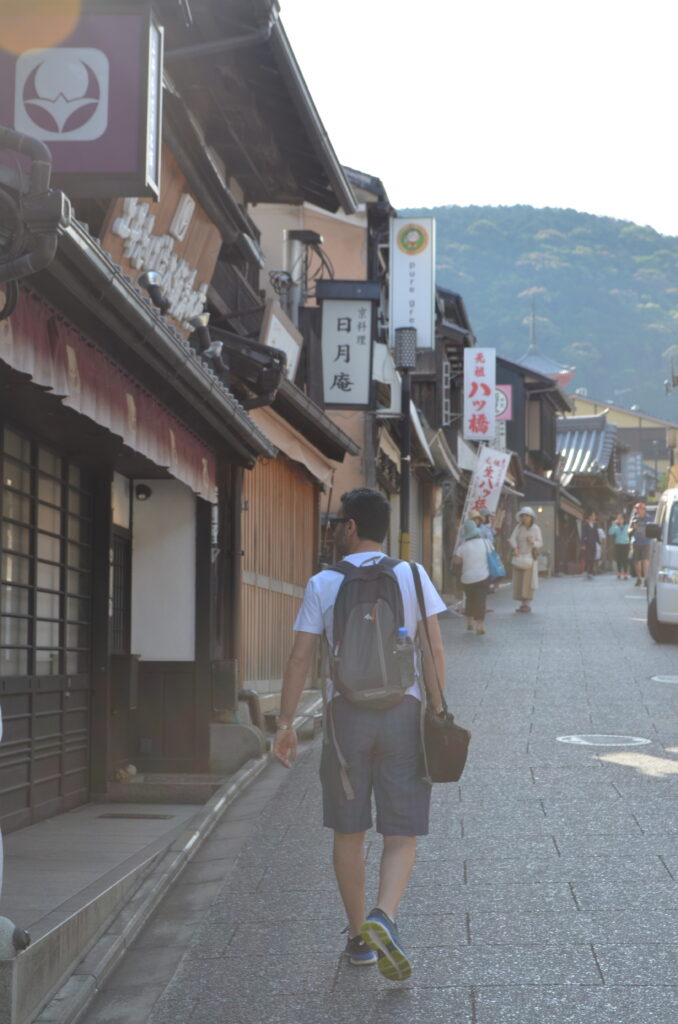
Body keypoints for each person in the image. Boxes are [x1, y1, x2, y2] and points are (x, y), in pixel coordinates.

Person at [274, 488, 447, 982]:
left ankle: (358, 939)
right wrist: (437, 712)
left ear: (350, 527)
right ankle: (384, 915)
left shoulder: (324, 583)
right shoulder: (412, 575)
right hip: (403, 712)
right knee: (402, 829)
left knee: (349, 831)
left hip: (345, 716)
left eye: (336, 522)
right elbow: (434, 649)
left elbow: (299, 659)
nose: (333, 530)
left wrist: (285, 725)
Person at [454, 519, 490, 635]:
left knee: (470, 599)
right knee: (480, 601)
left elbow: (457, 562)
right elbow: (492, 555)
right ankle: (479, 625)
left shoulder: (463, 547)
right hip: (483, 576)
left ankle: (469, 623)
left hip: (467, 579)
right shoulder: (486, 543)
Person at [509, 506, 543, 611]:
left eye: (527, 516)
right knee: (519, 580)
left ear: (531, 517)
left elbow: (540, 542)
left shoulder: (536, 528)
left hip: (529, 557)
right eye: (523, 516)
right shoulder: (518, 527)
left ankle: (527, 604)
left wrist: (533, 542)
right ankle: (522, 603)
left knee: (528, 582)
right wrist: (515, 548)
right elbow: (512, 538)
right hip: (519, 556)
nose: (525, 518)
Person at [629, 502, 651, 587]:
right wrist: (632, 528)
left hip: (646, 542)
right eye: (637, 509)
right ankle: (639, 578)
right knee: (637, 561)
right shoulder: (634, 518)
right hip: (636, 542)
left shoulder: (649, 519)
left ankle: (646, 579)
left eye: (639, 509)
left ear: (643, 509)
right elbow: (629, 530)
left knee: (645, 560)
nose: (637, 510)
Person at [608, 513, 630, 579]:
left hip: (626, 544)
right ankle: (619, 572)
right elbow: (610, 532)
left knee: (625, 559)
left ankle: (625, 573)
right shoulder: (616, 527)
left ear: (624, 519)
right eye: (618, 518)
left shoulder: (627, 526)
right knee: (619, 559)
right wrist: (613, 524)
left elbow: (630, 534)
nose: (620, 519)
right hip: (618, 545)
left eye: (621, 518)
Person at [580, 511, 598, 579]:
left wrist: (598, 543)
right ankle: (588, 572)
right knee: (588, 558)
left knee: (593, 557)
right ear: (590, 517)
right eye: (593, 515)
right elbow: (583, 535)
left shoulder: (595, 525)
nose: (594, 517)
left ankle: (591, 571)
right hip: (587, 543)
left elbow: (596, 535)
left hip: (594, 543)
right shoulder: (585, 524)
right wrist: (583, 544)